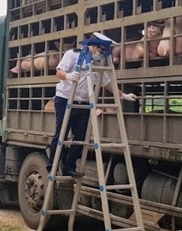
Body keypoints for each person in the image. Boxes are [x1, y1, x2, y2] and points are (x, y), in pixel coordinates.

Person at [48, 33, 138, 177]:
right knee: (62, 133)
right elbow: (58, 72)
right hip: (65, 99)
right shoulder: (72, 54)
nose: (101, 54)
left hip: (83, 102)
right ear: (94, 47)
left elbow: (107, 83)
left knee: (81, 137)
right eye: (101, 50)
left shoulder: (97, 64)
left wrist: (123, 95)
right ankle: (52, 163)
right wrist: (68, 76)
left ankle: (69, 166)